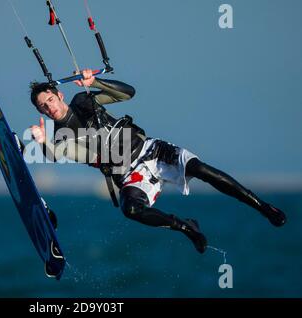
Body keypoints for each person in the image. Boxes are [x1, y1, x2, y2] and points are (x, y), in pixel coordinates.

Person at [28, 69, 287, 253]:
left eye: (50, 100)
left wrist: (96, 81)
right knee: (130, 210)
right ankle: (186, 227)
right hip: (129, 174)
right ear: (41, 112)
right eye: (43, 107)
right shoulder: (60, 136)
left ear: (59, 95)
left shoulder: (84, 100)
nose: (49, 108)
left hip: (150, 151)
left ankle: (262, 206)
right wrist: (41, 141)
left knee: (200, 170)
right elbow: (57, 153)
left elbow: (128, 93)